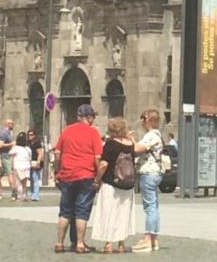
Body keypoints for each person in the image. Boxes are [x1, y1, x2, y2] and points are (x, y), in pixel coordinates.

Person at [53, 104, 102, 254]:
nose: (93, 120)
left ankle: (59, 243)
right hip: (86, 175)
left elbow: (57, 153)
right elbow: (97, 158)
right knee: (82, 211)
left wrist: (57, 171)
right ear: (89, 117)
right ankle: (80, 244)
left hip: (67, 175)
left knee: (65, 211)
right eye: (93, 117)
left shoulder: (67, 130)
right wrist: (98, 178)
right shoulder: (93, 132)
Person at [91, 117, 135, 254]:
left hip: (111, 184)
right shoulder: (130, 144)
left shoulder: (110, 144)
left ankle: (109, 243)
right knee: (123, 214)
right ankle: (121, 243)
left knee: (109, 212)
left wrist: (97, 179)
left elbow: (104, 164)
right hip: (127, 184)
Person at [132, 108, 163, 253]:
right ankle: (153, 239)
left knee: (150, 206)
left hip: (149, 172)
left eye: (143, 118)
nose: (142, 121)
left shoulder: (152, 135)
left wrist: (129, 139)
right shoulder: (155, 135)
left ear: (150, 120)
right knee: (154, 206)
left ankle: (147, 239)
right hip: (154, 172)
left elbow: (137, 149)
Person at [0, 119, 17, 199]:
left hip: (7, 155)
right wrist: (11, 144)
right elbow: (0, 145)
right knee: (10, 173)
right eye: (11, 123)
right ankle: (14, 192)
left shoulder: (9, 133)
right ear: (7, 124)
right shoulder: (4, 133)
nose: (13, 125)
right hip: (4, 155)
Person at [10, 132, 31, 201]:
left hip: (18, 166)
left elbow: (9, 153)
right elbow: (30, 157)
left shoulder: (16, 148)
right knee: (24, 183)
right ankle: (24, 196)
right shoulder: (28, 148)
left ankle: (19, 196)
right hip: (27, 166)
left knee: (19, 183)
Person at [27, 128, 43, 201]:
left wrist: (38, 161)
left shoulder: (37, 143)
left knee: (35, 178)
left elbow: (40, 153)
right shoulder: (28, 143)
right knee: (31, 179)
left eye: (31, 135)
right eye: (29, 135)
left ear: (34, 135)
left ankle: (35, 195)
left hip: (36, 162)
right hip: (30, 162)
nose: (30, 136)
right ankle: (32, 193)